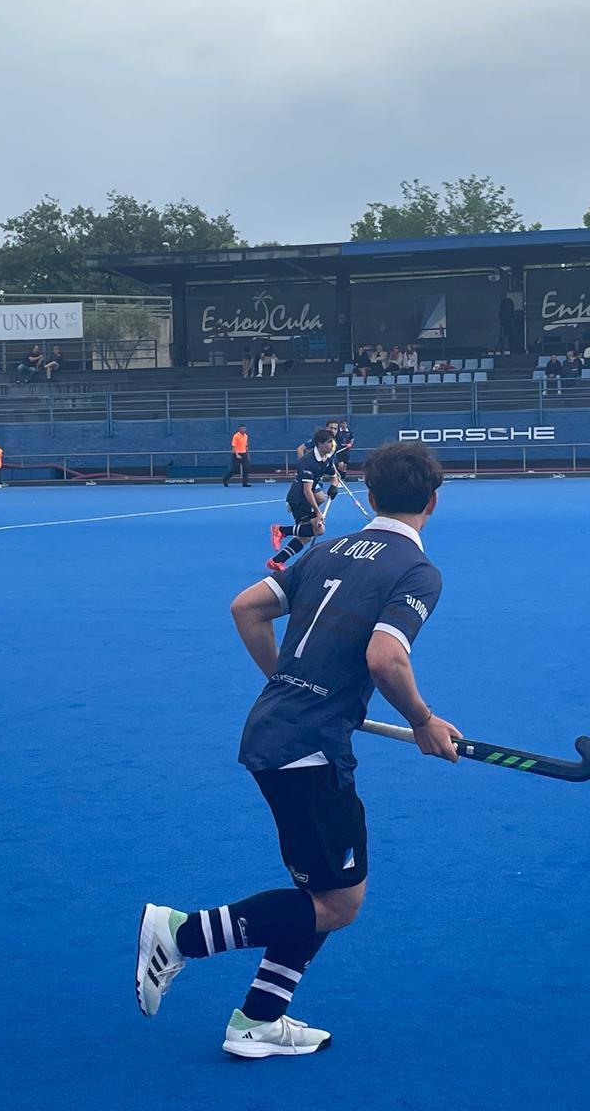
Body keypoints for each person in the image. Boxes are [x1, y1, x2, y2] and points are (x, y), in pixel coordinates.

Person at [136, 442, 456, 1058]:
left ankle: (258, 1021)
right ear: (433, 503)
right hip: (306, 750)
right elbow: (385, 657)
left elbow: (246, 608)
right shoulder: (417, 571)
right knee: (339, 903)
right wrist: (422, 721)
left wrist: (288, 682)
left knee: (318, 899)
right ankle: (181, 934)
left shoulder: (328, 548)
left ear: (372, 492)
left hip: (279, 731)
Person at [267, 429, 341, 571]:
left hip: (307, 498)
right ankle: (281, 530)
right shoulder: (308, 462)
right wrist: (318, 512)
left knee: (307, 534)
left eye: (332, 442)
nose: (332, 445)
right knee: (318, 530)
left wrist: (334, 486)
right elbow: (307, 490)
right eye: (328, 443)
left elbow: (334, 476)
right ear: (319, 444)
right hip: (298, 500)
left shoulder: (327, 458)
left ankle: (276, 561)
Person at [225, 424, 252, 488]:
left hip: (244, 454)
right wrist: (237, 454)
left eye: (245, 428)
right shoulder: (236, 436)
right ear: (239, 429)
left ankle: (245, 483)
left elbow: (246, 446)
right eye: (242, 428)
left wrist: (248, 455)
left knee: (246, 468)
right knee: (234, 470)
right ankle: (225, 479)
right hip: (236, 454)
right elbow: (234, 446)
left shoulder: (246, 436)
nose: (244, 430)